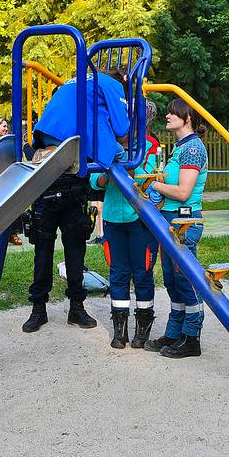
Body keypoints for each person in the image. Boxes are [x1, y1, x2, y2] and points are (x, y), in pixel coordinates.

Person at [21, 70, 130, 333]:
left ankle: (69, 308)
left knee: (59, 250)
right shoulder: (110, 85)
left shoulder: (76, 85)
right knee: (63, 251)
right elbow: (122, 129)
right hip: (61, 179)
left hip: (55, 175)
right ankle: (43, 307)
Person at [144, 98, 208, 359]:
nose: (168, 116)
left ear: (187, 117)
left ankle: (192, 338)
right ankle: (174, 332)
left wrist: (154, 184)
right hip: (170, 221)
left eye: (173, 113)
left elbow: (183, 192)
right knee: (172, 280)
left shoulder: (192, 149)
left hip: (184, 222)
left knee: (186, 280)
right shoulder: (180, 147)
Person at [92, 131, 158, 349]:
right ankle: (119, 330)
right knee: (118, 274)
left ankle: (143, 327)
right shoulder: (106, 145)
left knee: (142, 273)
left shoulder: (147, 145)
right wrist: (108, 173)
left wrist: (123, 164)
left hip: (140, 219)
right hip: (113, 219)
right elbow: (95, 181)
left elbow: (147, 177)